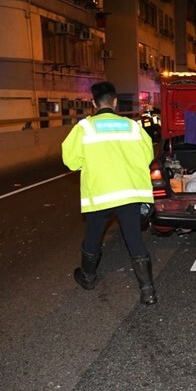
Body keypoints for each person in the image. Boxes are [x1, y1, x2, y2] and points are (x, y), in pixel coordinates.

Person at [61, 81, 158, 305]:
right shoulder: (133, 127)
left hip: (101, 194)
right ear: (115, 102)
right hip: (129, 193)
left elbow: (71, 161)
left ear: (94, 104)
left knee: (93, 236)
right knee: (134, 239)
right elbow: (147, 156)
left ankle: (88, 277)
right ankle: (148, 291)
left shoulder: (84, 128)